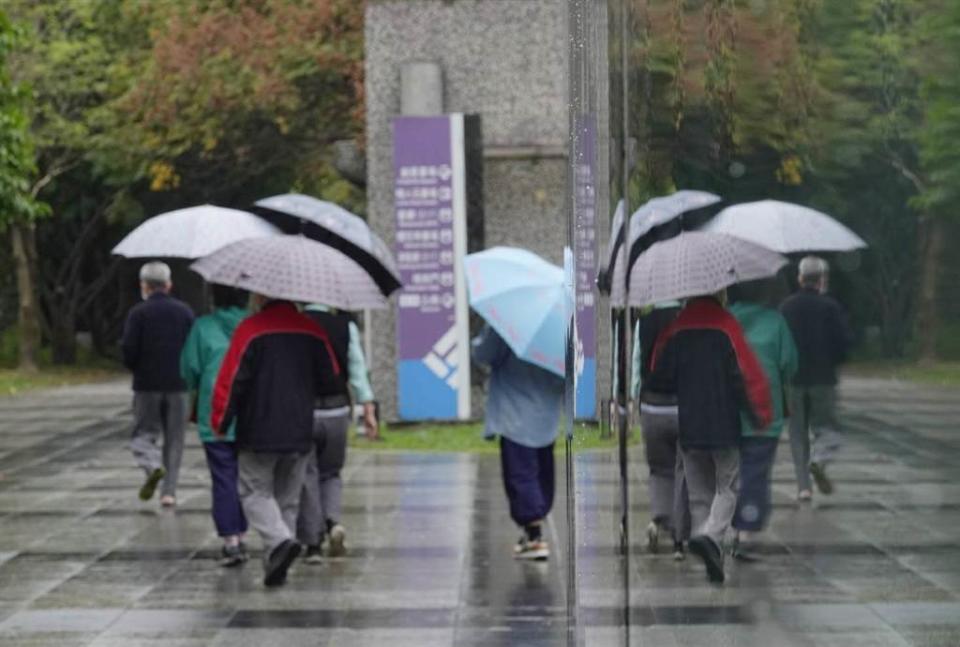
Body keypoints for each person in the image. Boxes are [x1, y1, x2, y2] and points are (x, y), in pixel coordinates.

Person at [210, 295, 340, 587]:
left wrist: (221, 420)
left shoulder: (250, 330)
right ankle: (275, 565)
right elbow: (330, 377)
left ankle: (280, 542)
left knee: (254, 492)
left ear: (262, 297)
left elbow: (231, 381)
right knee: (287, 500)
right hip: (299, 431)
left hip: (258, 430)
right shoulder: (312, 330)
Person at [647, 292, 773, 583]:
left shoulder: (677, 330)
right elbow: (740, 376)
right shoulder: (725, 328)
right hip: (724, 426)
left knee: (700, 495)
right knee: (728, 487)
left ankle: (708, 547)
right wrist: (755, 413)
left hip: (691, 427)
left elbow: (659, 378)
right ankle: (712, 540)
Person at [472, 325, 564, 561]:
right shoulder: (557, 323)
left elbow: (484, 353)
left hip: (515, 413)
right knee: (541, 473)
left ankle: (534, 536)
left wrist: (478, 341)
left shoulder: (507, 322)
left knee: (521, 474)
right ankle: (533, 528)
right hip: (546, 413)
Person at [297, 304, 379, 563]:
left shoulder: (296, 324)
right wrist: (367, 406)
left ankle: (312, 545)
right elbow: (357, 369)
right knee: (331, 473)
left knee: (307, 474)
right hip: (337, 410)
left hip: (305, 411)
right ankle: (332, 522)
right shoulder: (345, 326)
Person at [179, 286, 250, 567]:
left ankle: (231, 541)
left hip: (215, 413)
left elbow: (188, 370)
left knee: (223, 478)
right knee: (249, 478)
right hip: (250, 411)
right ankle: (245, 532)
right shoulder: (252, 326)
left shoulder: (202, 327)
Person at [728, 283, 798, 560]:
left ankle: (725, 524)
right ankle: (746, 531)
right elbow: (790, 363)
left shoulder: (725, 319)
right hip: (765, 411)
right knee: (755, 472)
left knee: (728, 471)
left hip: (728, 409)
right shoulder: (775, 322)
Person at [121, 261, 195, 507]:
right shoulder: (185, 312)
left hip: (147, 385)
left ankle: (152, 465)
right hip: (179, 385)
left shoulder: (138, 314)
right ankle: (168, 493)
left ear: (144, 286)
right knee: (175, 440)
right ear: (168, 285)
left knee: (143, 434)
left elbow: (129, 351)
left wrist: (138, 368)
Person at [780, 256, 854, 499]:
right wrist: (834, 362)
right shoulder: (830, 307)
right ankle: (820, 459)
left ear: (800, 278)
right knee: (828, 428)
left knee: (797, 434)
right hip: (823, 378)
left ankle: (803, 488)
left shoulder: (786, 307)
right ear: (822, 280)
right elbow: (843, 343)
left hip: (793, 380)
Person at [630, 302, 691, 560]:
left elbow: (636, 366)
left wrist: (635, 401)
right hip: (682, 407)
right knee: (682, 470)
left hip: (652, 407)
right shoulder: (689, 320)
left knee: (658, 470)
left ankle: (658, 520)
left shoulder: (645, 321)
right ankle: (679, 534)